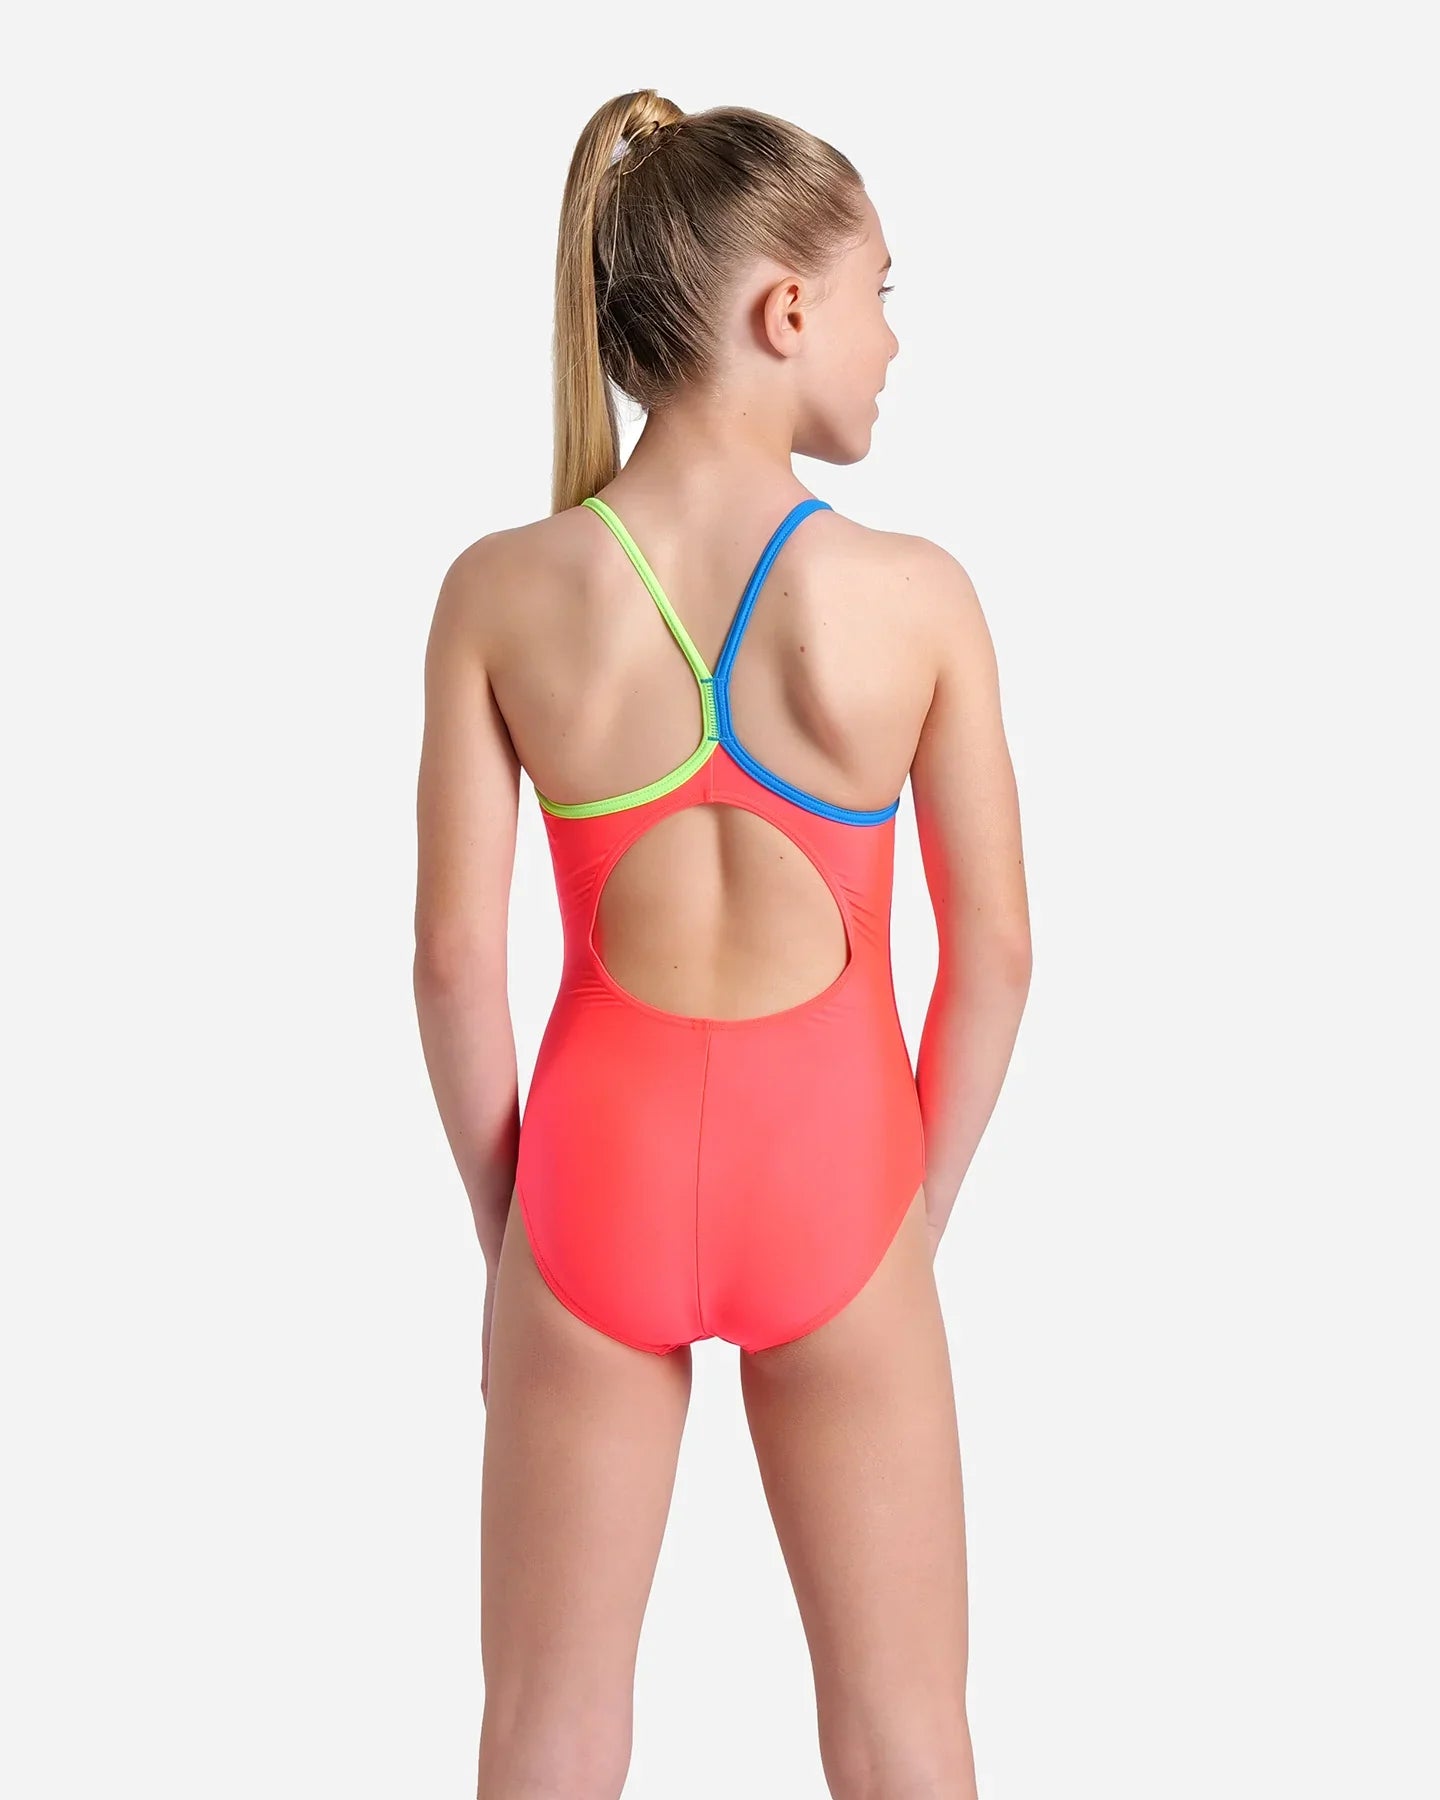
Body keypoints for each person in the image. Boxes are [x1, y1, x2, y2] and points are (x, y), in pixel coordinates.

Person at [413, 88, 1031, 1800]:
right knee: (904, 1734)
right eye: (883, 293)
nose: (893, 341)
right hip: (840, 1177)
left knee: (547, 1731)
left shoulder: (501, 589)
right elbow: (996, 955)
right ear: (787, 310)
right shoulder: (916, 596)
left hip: (589, 1181)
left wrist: (512, 1240)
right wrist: (904, 1222)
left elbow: (454, 961)